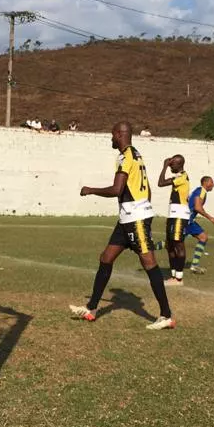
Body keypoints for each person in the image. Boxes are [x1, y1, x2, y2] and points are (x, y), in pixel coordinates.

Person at [69, 121, 175, 330]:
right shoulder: (136, 154)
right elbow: (145, 187)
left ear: (119, 134)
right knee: (106, 258)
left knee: (149, 263)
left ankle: (166, 316)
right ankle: (91, 308)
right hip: (127, 219)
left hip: (136, 219)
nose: (111, 138)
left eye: (112, 134)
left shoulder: (126, 157)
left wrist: (90, 190)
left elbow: (118, 189)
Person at [157, 155, 190, 286]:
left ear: (180, 164)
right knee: (169, 246)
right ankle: (173, 275)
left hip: (180, 215)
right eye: (170, 164)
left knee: (178, 244)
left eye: (172, 164)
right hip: (173, 214)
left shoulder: (182, 177)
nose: (171, 166)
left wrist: (164, 166)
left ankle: (179, 278)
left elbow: (160, 183)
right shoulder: (178, 176)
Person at [186, 176, 214, 274]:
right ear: (206, 183)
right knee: (172, 243)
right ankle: (150, 247)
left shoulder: (198, 190)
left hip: (188, 220)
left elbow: (189, 200)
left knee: (203, 237)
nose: (213, 184)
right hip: (186, 220)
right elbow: (198, 207)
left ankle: (194, 265)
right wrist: (210, 218)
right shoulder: (202, 191)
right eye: (212, 182)